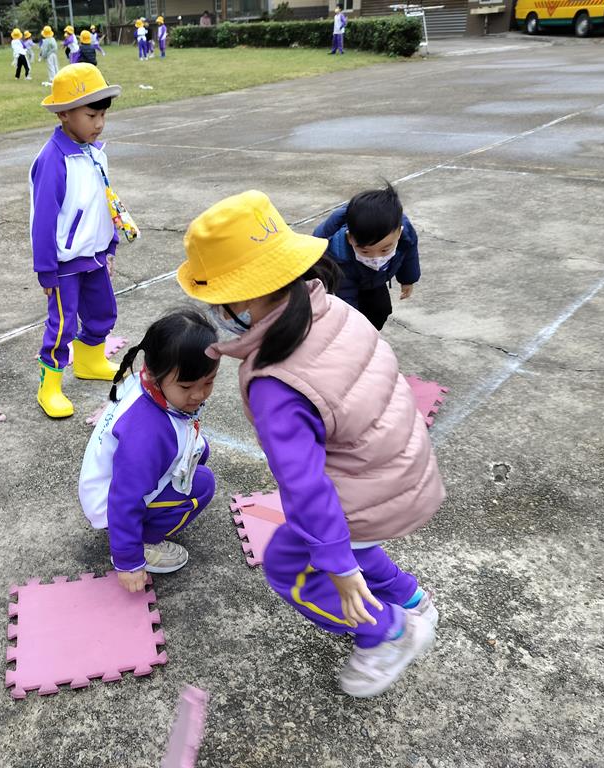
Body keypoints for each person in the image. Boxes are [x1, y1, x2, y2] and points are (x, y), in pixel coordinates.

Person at [177, 190, 443, 698]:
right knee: (353, 545)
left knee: (289, 563)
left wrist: (336, 564)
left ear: (240, 299)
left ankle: (388, 632)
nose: (213, 311)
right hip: (402, 466)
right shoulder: (332, 308)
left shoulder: (275, 382)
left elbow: (305, 483)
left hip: (366, 489)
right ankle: (411, 599)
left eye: (213, 299)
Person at [80, 310, 218, 591]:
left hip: (113, 481)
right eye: (186, 386)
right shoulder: (147, 433)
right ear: (156, 376)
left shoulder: (144, 383)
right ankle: (145, 542)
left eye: (208, 382)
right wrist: (128, 561)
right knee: (203, 484)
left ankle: (145, 525)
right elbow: (124, 498)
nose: (199, 394)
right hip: (111, 504)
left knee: (200, 451)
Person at [30, 64, 127, 418]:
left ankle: (90, 361)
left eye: (102, 115)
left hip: (95, 255)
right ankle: (50, 387)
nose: (99, 123)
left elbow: (104, 201)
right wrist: (46, 270)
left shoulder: (95, 152)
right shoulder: (53, 160)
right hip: (65, 263)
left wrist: (109, 245)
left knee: (103, 312)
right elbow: (43, 220)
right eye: (91, 115)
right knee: (62, 325)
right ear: (64, 114)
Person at [312, 184, 420, 331]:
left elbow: (409, 256)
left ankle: (372, 332)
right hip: (348, 281)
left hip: (376, 279)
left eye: (385, 249)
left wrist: (408, 280)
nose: (376, 258)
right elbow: (346, 296)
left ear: (399, 234)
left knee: (381, 310)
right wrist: (354, 327)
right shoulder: (339, 257)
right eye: (365, 251)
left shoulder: (406, 237)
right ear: (350, 238)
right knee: (351, 317)